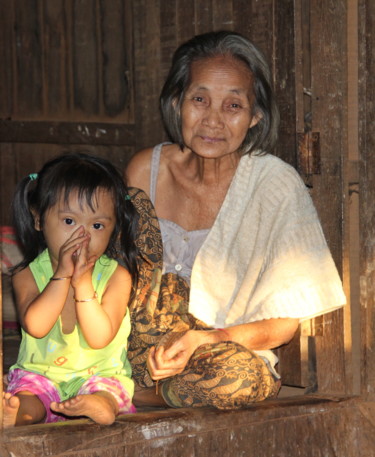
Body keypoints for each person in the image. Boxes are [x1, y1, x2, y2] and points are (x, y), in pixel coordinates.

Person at [125, 30, 347, 410]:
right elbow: (113, 275)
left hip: (214, 352)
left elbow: (282, 326)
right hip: (135, 345)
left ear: (255, 116)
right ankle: (117, 384)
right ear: (177, 102)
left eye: (233, 106)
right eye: (200, 99)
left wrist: (207, 340)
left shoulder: (274, 187)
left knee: (238, 378)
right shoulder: (147, 170)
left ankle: (135, 396)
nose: (212, 120)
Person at [3, 152, 139, 427]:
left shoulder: (117, 277)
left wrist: (84, 282)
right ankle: (17, 413)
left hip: (98, 376)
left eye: (97, 225)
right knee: (29, 396)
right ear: (39, 219)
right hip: (41, 376)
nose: (82, 236)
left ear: (113, 231)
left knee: (106, 391)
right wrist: (62, 276)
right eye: (69, 221)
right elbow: (36, 326)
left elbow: (99, 337)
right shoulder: (26, 275)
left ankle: (100, 405)